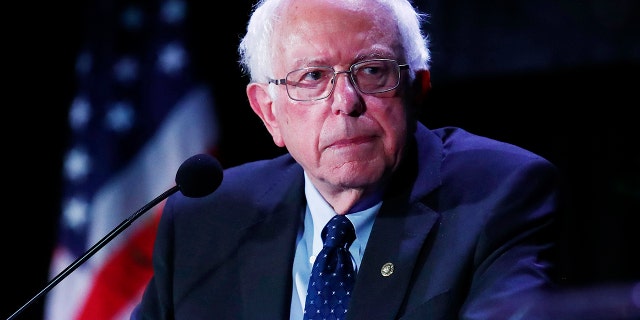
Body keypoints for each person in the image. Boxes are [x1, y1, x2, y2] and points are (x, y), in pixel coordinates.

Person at [130, 0, 566, 319]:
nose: (345, 102)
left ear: (418, 89)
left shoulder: (500, 194)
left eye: (373, 70)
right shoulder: (206, 218)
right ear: (268, 113)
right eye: (313, 76)